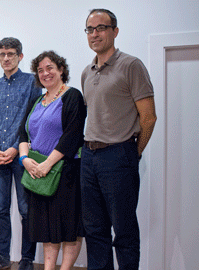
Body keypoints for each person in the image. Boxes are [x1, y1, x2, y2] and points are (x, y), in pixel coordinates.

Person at [81, 9, 157, 269]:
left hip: (119, 155)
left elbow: (148, 117)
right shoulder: (87, 72)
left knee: (123, 231)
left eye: (101, 27)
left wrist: (134, 151)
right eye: (90, 29)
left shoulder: (131, 65)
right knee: (94, 230)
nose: (95, 34)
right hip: (89, 156)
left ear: (115, 31)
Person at [18, 51, 86, 270]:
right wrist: (24, 159)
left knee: (69, 227)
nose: (45, 73)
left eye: (50, 68)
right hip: (38, 173)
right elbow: (23, 134)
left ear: (61, 70)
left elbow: (73, 136)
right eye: (40, 70)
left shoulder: (73, 96)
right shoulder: (38, 100)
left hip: (65, 172)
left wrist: (48, 164)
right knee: (47, 228)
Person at [0, 37, 42, 270]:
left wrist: (16, 147)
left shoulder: (32, 83)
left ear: (20, 56)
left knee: (26, 209)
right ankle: (2, 257)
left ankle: (27, 259)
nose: (6, 58)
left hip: (23, 157)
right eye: (2, 54)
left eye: (11, 54)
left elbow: (33, 120)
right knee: (1, 210)